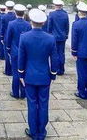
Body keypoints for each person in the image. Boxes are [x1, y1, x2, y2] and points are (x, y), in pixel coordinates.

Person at [19, 9, 58, 140]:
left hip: (29, 76)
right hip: (44, 76)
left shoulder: (24, 37)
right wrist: (53, 75)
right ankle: (41, 131)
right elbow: (54, 59)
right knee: (43, 103)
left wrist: (21, 75)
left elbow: (21, 59)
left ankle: (33, 130)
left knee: (31, 104)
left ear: (31, 21)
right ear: (43, 23)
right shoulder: (50, 38)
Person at [6, 4, 31, 99]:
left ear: (15, 13)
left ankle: (15, 92)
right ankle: (24, 92)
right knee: (23, 72)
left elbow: (8, 38)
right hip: (25, 52)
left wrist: (8, 49)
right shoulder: (28, 25)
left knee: (15, 73)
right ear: (23, 13)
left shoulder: (11, 24)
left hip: (15, 51)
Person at [47, 0, 70, 75]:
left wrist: (49, 34)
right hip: (62, 36)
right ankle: (61, 69)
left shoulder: (52, 14)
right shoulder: (65, 14)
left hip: (54, 36)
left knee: (55, 53)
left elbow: (49, 26)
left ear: (55, 5)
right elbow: (67, 26)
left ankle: (55, 69)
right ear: (61, 6)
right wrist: (66, 34)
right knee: (61, 53)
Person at [0, 1, 16, 76]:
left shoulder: (4, 17)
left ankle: (8, 70)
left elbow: (2, 29)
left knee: (7, 55)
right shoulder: (15, 16)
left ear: (6, 7)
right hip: (16, 37)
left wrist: (2, 37)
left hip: (7, 37)